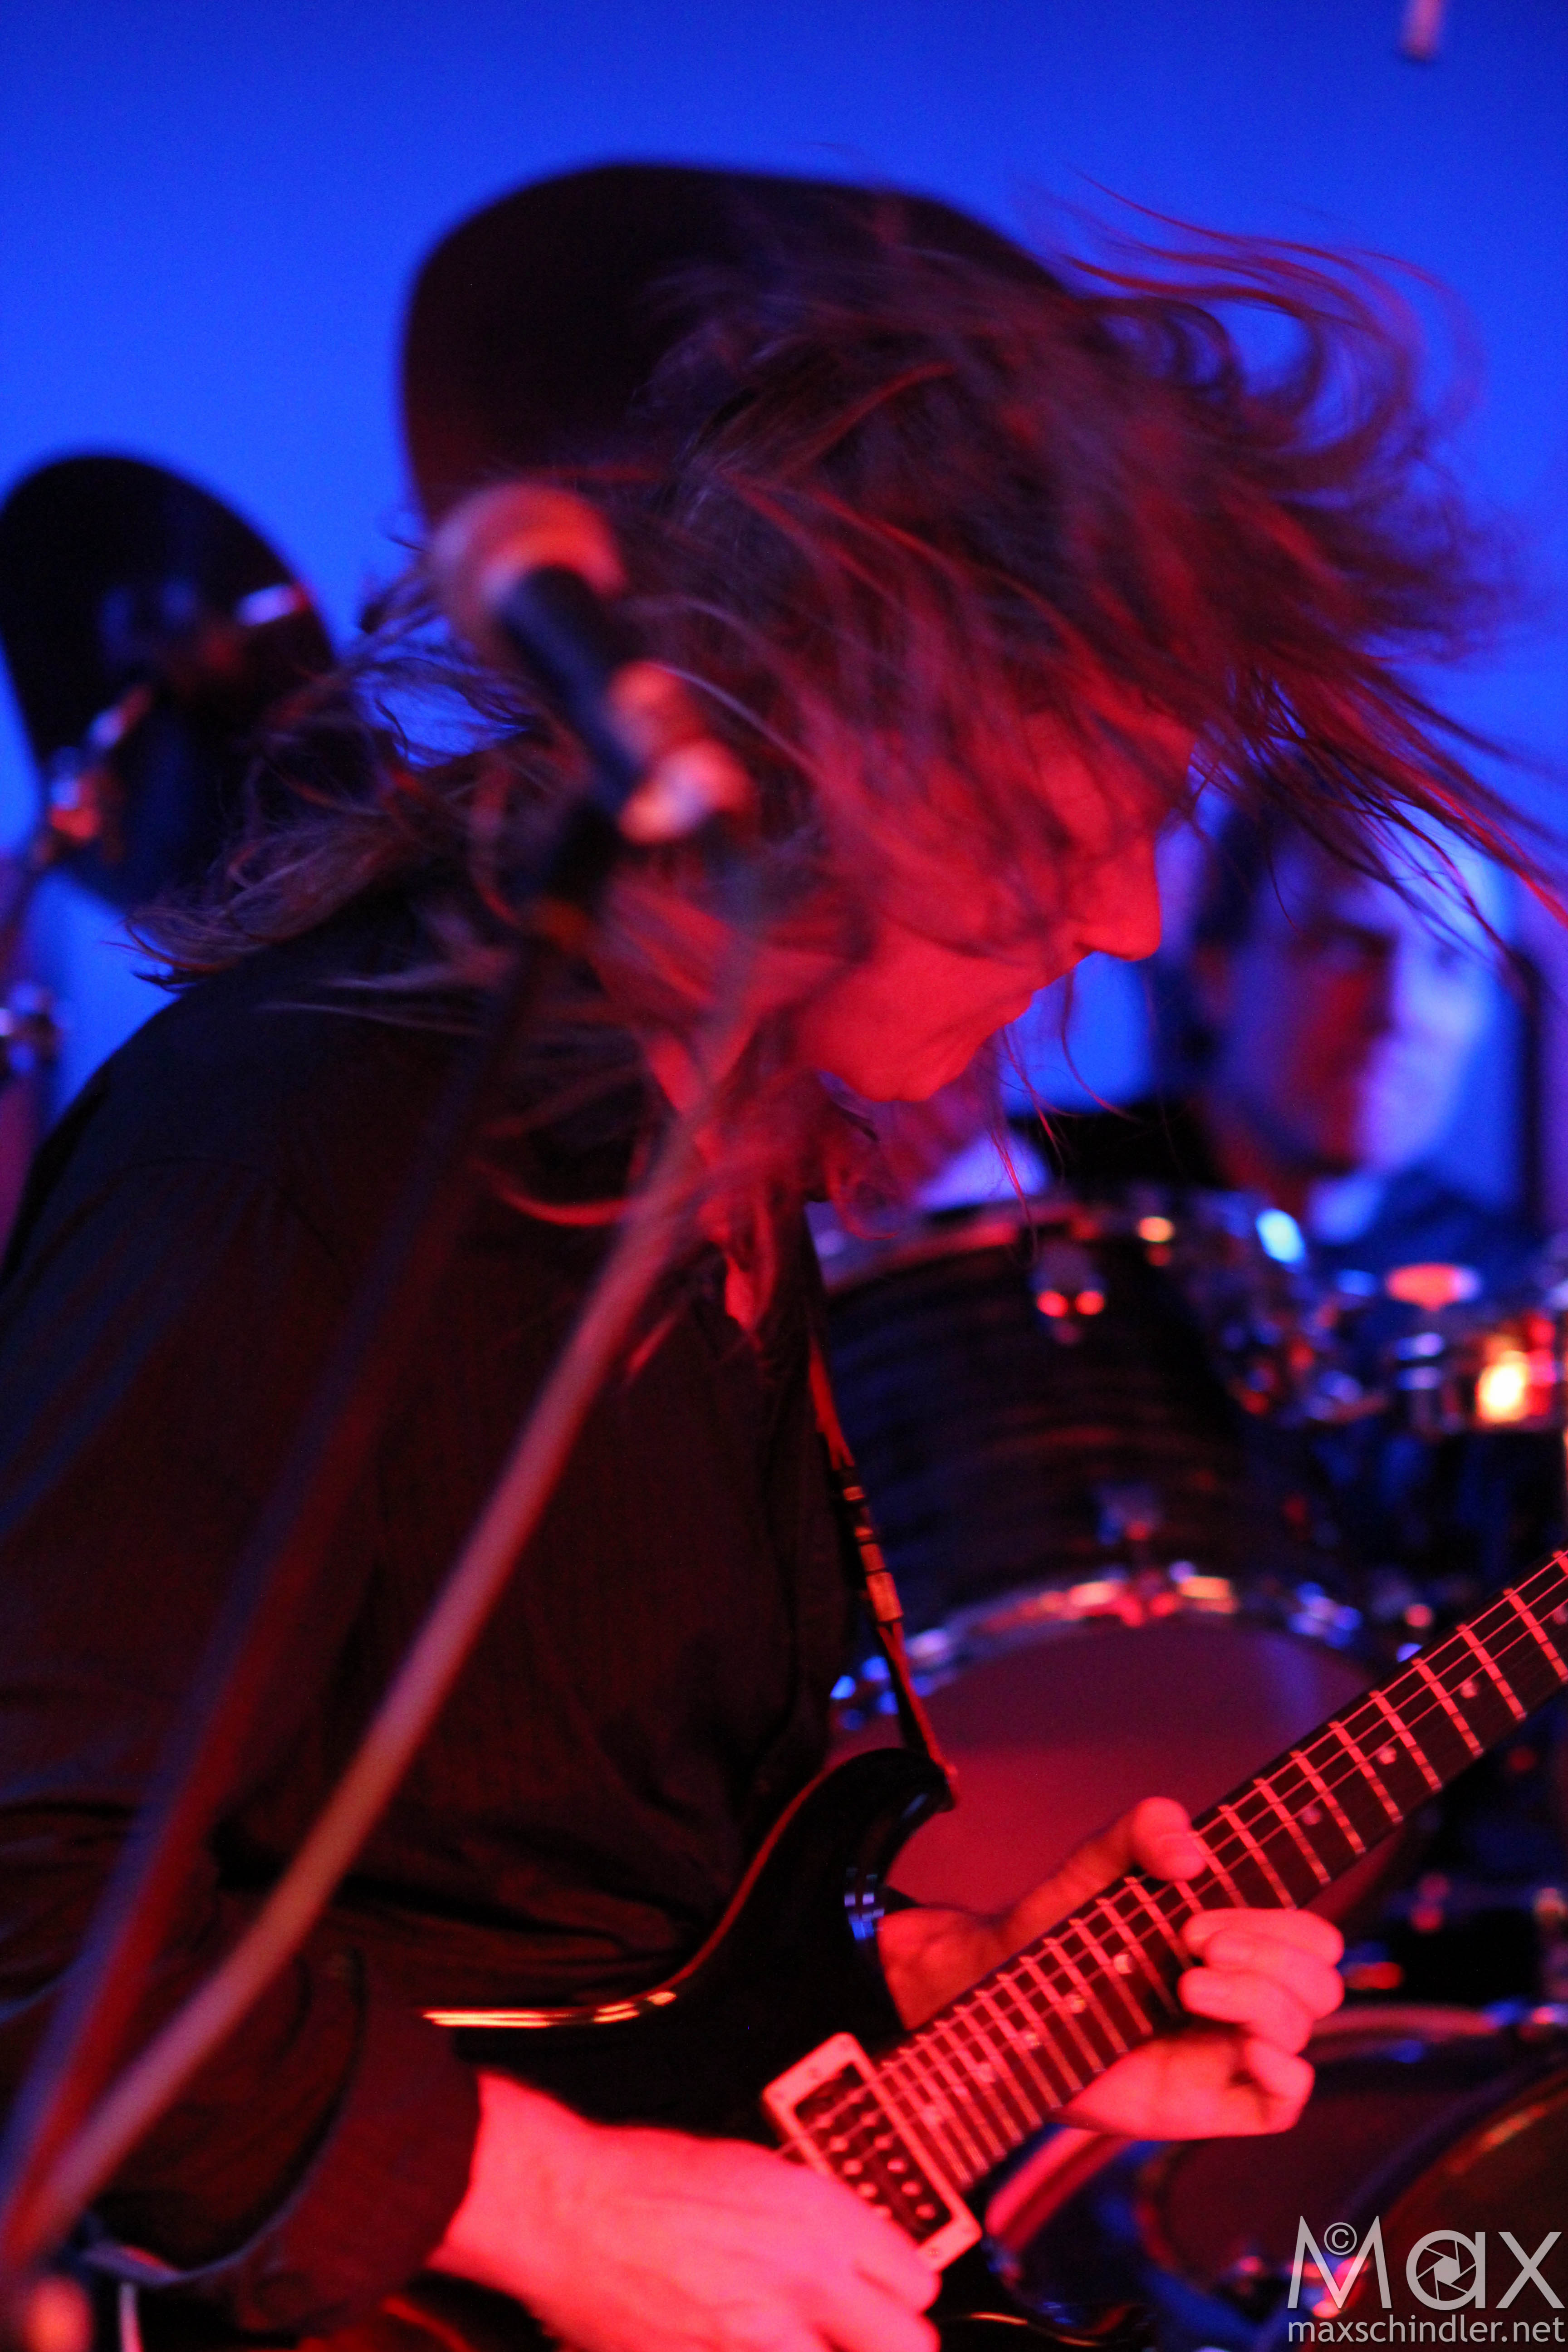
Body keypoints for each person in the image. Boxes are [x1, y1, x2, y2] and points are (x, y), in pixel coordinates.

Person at [0, 161, 1539, 2352]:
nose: (1123, 919)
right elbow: (28, 1886)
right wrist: (559, 2208)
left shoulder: (722, 1161)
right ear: (810, 742)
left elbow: (584, 1923)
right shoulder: (303, 1140)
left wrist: (944, 1988)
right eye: (1066, 819)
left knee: (1450, 2307)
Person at [1042, 796, 1538, 1294]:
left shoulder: (1513, 1291)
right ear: (1216, 972)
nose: (1400, 1009)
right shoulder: (1038, 1202)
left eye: (1452, 962)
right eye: (1347, 946)